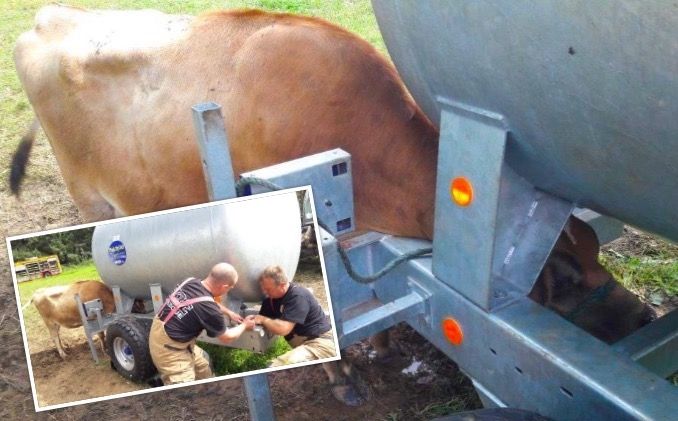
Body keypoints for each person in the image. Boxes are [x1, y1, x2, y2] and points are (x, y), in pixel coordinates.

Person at [149, 262, 255, 384]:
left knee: (204, 367)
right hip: (169, 349)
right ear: (224, 286)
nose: (228, 290)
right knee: (184, 392)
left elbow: (203, 301)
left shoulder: (191, 282)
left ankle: (209, 391)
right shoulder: (210, 311)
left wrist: (229, 313)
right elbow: (227, 337)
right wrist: (245, 325)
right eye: (230, 288)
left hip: (162, 332)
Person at [254, 265, 336, 366]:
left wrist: (263, 320)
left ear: (282, 285)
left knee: (275, 366)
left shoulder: (297, 296)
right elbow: (263, 321)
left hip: (320, 343)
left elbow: (283, 329)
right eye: (264, 289)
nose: (265, 292)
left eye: (268, 289)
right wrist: (250, 322)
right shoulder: (270, 299)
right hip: (303, 346)